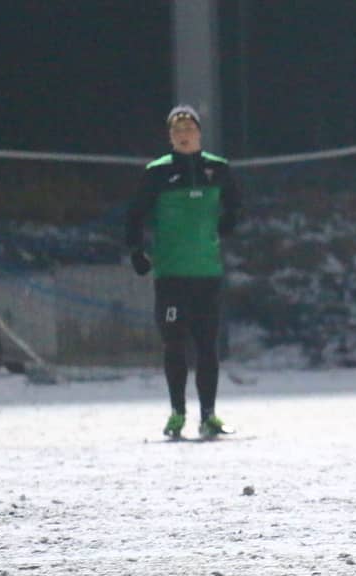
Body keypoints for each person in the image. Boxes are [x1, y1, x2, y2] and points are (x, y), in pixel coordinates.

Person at [126, 105, 240, 439]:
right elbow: (135, 214)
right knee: (174, 343)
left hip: (207, 273)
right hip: (171, 274)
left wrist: (227, 223)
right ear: (170, 137)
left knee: (207, 346)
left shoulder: (218, 168)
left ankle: (209, 415)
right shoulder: (157, 172)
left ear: (199, 133)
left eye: (189, 128)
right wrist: (136, 251)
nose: (184, 134)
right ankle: (177, 413)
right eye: (177, 130)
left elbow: (235, 204)